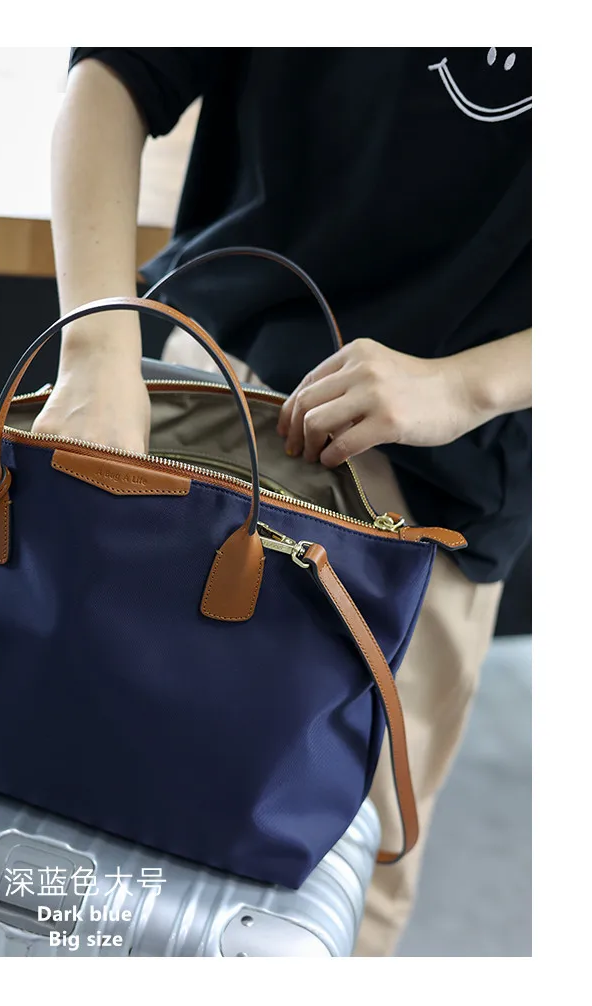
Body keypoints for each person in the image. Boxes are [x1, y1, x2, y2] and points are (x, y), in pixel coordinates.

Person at [34, 48, 531, 956]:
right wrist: (97, 350)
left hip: (425, 490)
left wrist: (467, 384)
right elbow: (116, 69)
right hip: (195, 392)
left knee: (322, 892)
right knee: (75, 812)